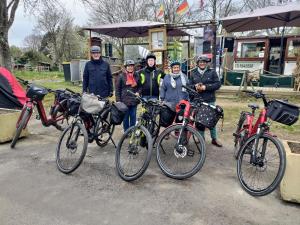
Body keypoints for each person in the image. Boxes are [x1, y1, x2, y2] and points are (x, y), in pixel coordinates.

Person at [189, 55, 222, 147]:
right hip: (198, 101)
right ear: (198, 63)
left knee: (212, 119)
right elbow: (189, 85)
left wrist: (205, 87)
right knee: (199, 121)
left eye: (204, 62)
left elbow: (218, 84)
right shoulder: (193, 73)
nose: (202, 63)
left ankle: (214, 139)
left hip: (209, 100)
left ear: (206, 63)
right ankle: (201, 138)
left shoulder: (212, 72)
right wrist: (195, 87)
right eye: (200, 62)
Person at [115, 60, 140, 132]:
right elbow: (117, 89)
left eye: (131, 66)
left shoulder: (136, 75)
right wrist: (118, 101)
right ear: (126, 67)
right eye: (128, 66)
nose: (130, 68)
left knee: (133, 116)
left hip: (134, 100)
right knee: (125, 117)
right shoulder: (121, 76)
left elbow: (140, 86)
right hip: (124, 100)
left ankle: (132, 131)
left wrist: (138, 92)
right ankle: (126, 131)